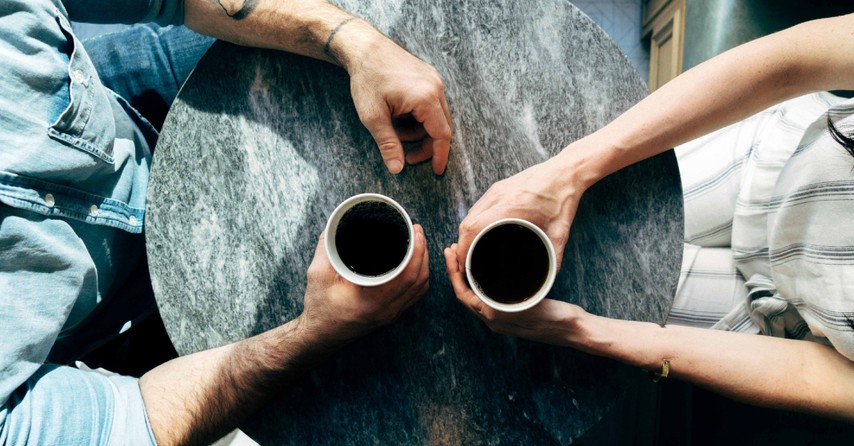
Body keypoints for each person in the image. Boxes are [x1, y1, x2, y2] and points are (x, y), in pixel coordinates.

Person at [1, 0, 450, 444]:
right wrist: (314, 333)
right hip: (113, 308)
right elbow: (130, 422)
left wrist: (354, 42)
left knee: (402, 58)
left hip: (104, 103)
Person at [446, 12, 854, 422]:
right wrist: (567, 173)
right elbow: (791, 61)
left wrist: (580, 329)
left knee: (603, 296)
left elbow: (816, 377)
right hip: (774, 164)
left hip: (789, 323)